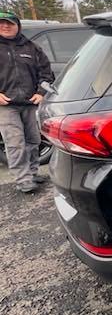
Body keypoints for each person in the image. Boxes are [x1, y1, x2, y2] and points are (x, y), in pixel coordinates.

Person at [0, 11, 54, 193]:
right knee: (15, 143)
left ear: (17, 25)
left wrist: (40, 93)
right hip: (6, 106)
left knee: (33, 140)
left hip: (30, 103)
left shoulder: (32, 48)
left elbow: (46, 73)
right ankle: (22, 179)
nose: (5, 26)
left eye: (9, 23)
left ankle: (32, 172)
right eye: (2, 23)